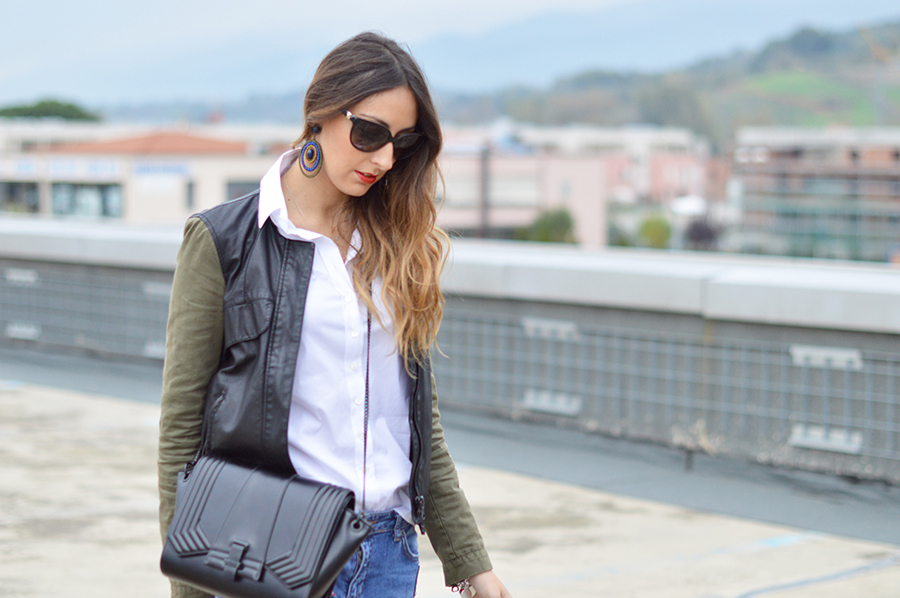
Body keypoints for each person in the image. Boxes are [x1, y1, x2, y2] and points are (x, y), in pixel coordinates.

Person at [158, 32, 512, 598]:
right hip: (277, 550)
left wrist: (470, 561)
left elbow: (417, 426)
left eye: (401, 142)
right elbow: (182, 427)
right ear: (320, 112)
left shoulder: (398, 247)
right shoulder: (223, 241)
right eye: (369, 133)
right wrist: (191, 584)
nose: (383, 159)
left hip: (389, 556)